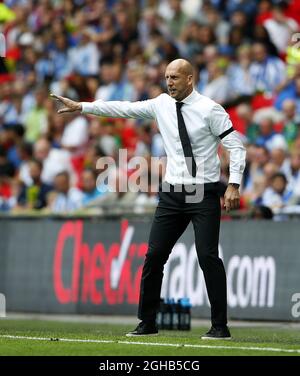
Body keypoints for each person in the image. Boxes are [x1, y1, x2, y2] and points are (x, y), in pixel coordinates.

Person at [51, 58, 246, 340]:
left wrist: (234, 184)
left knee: (207, 256)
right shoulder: (161, 104)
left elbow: (235, 147)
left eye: (175, 78)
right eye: (167, 77)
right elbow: (123, 108)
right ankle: (147, 322)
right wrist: (83, 106)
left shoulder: (210, 110)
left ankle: (220, 326)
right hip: (172, 193)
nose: (169, 82)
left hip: (203, 192)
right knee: (154, 256)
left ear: (190, 79)